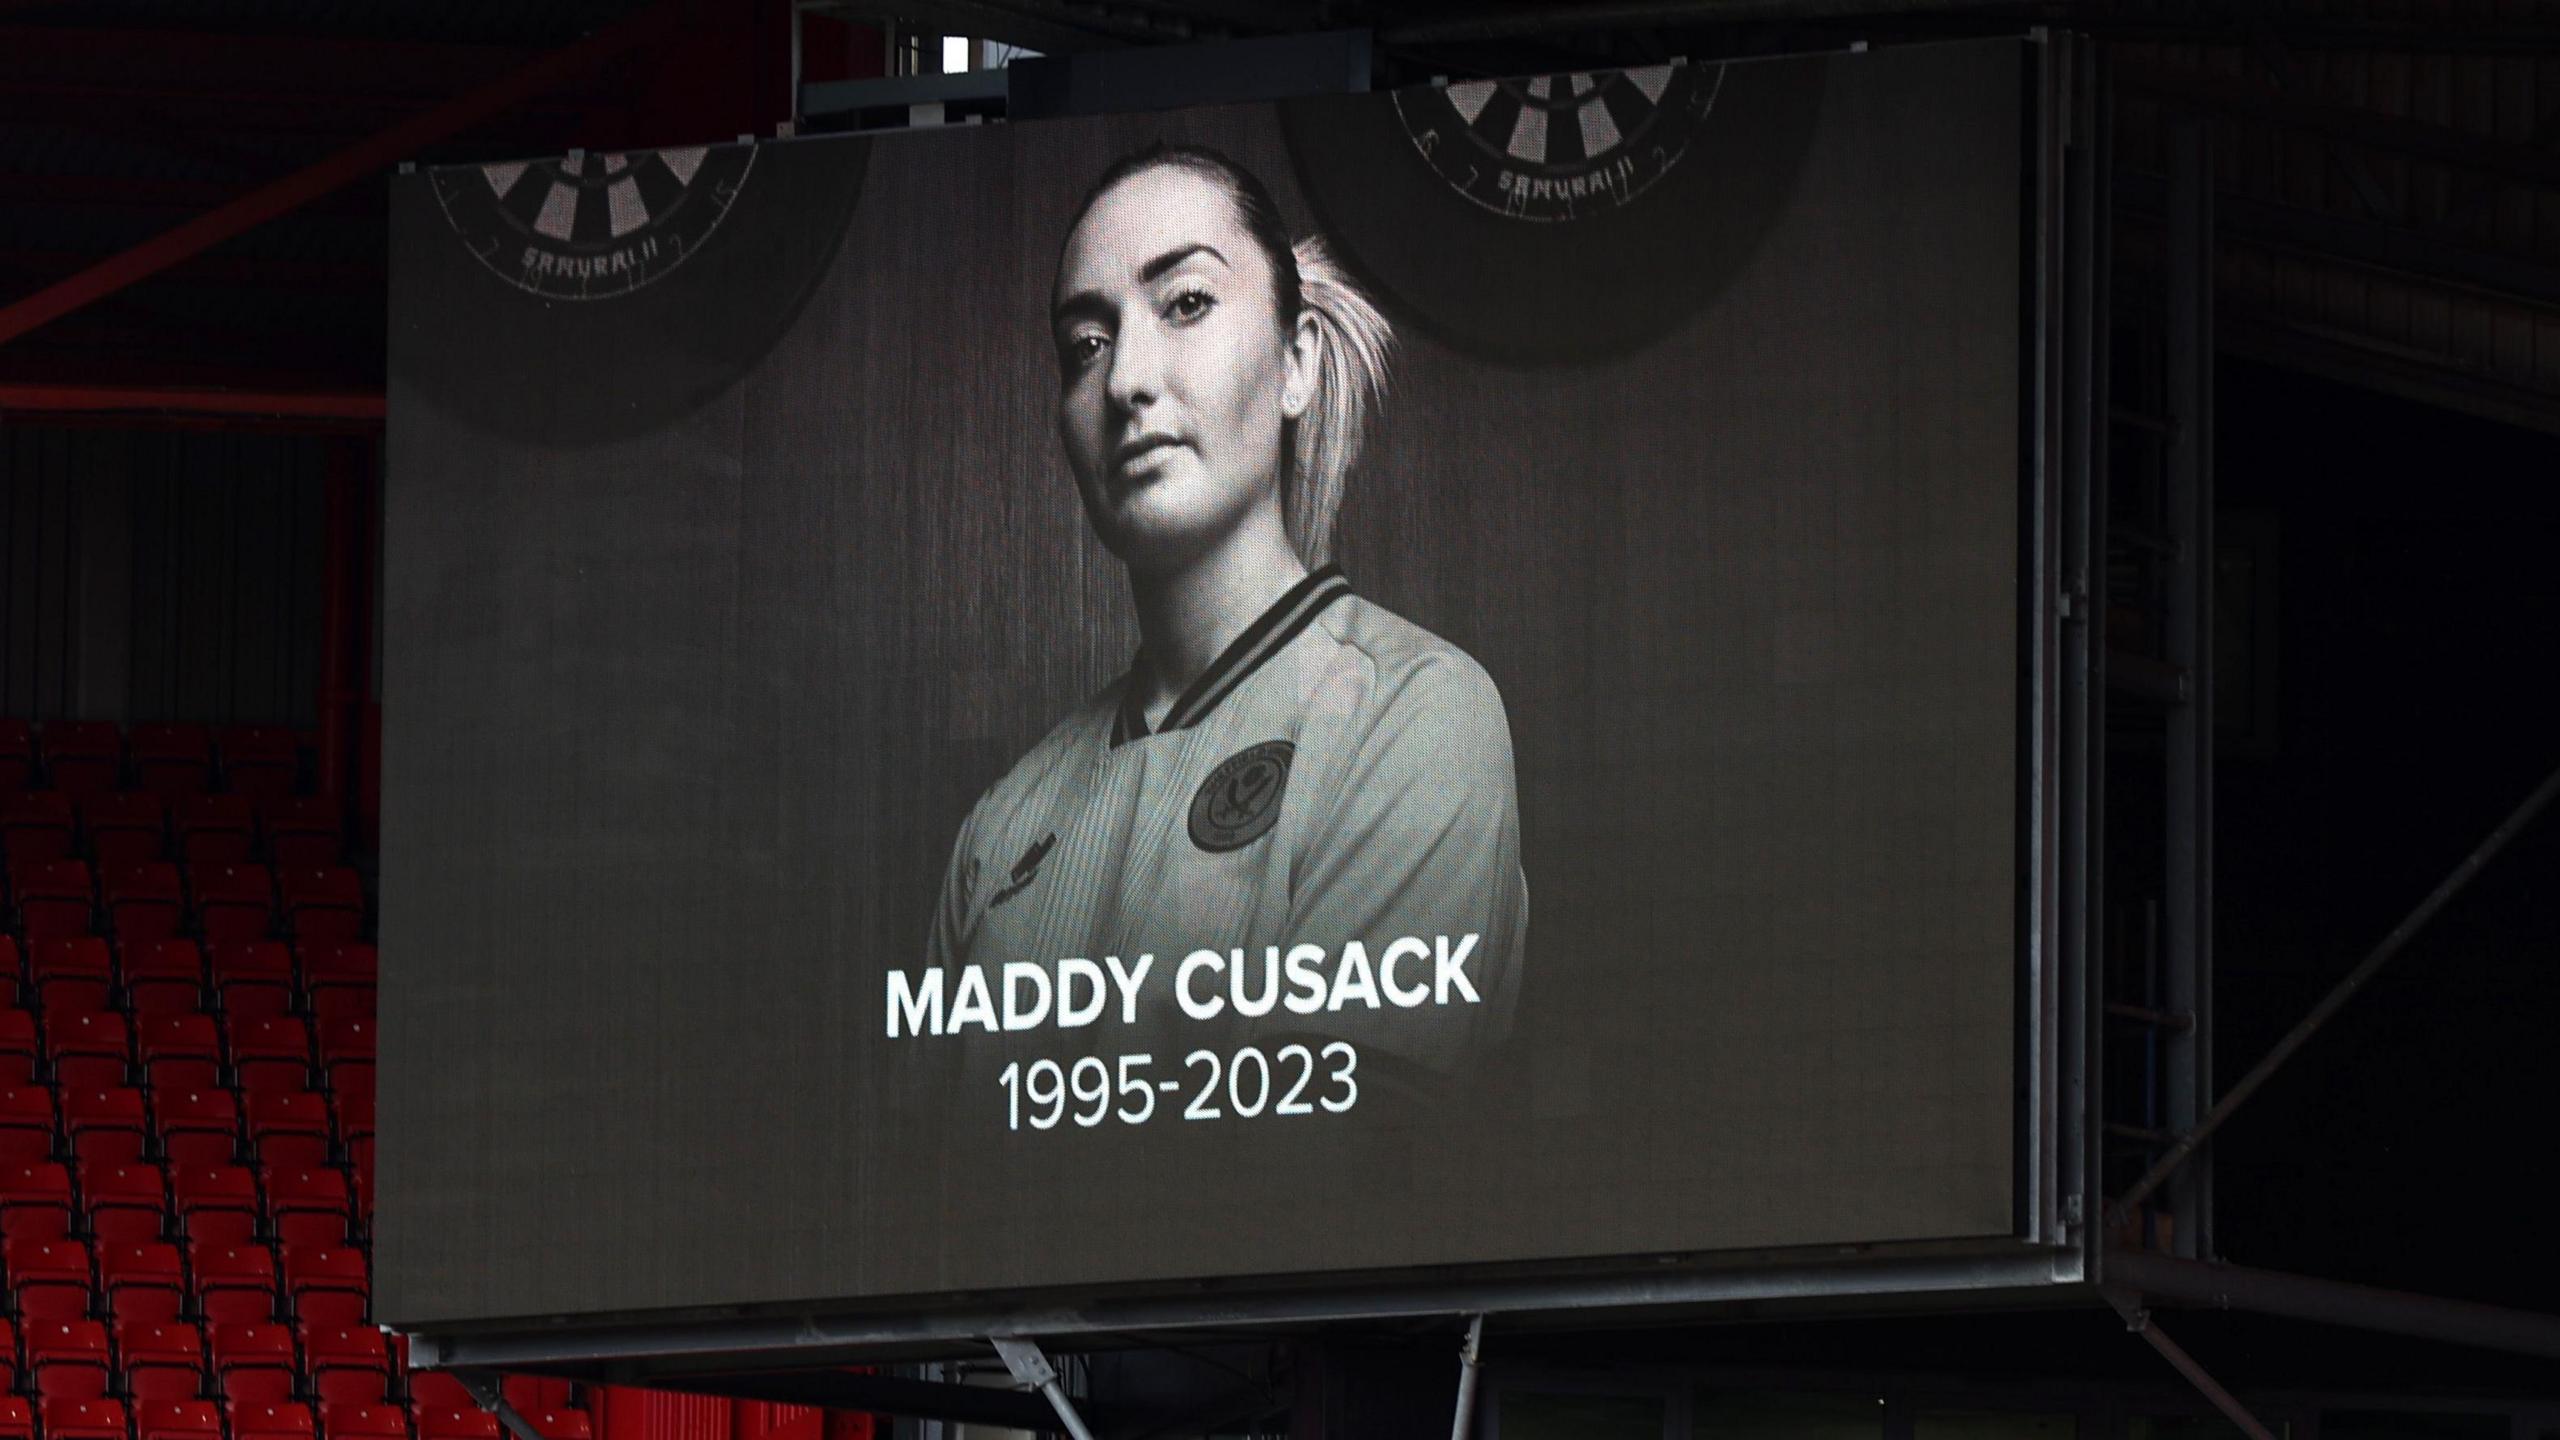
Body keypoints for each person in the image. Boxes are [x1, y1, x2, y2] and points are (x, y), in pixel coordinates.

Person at [924, 142, 1525, 1079]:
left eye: (1187, 303)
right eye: (1086, 343)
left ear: (1295, 361)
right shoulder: (1001, 828)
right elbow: (928, 1193)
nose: (1124, 380)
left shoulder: (1417, 717)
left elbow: (1341, 1180)